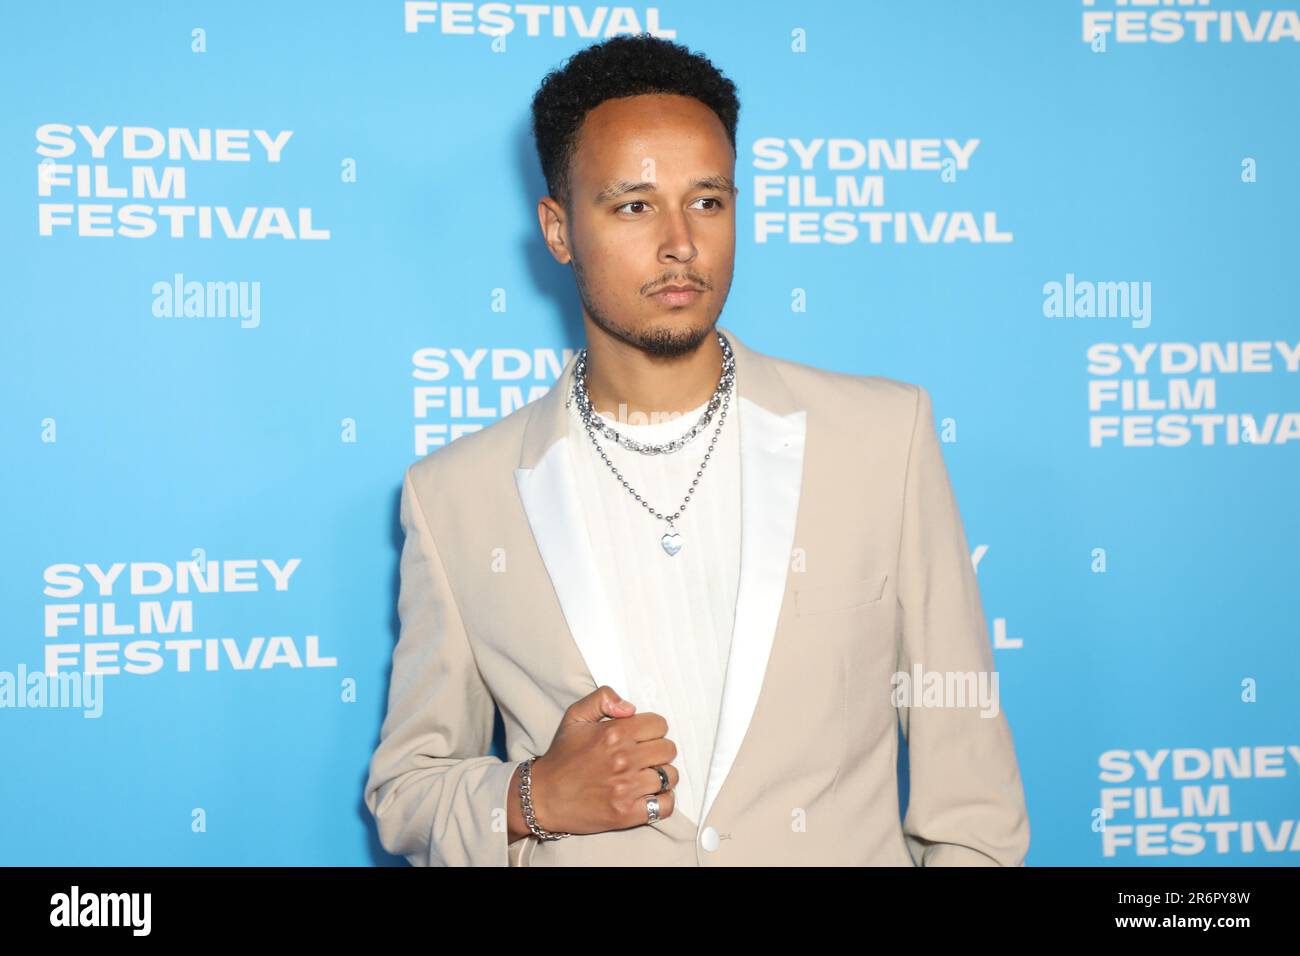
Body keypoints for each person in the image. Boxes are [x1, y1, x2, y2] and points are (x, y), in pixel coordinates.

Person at [364, 33, 1030, 866]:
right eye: (634, 205)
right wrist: (532, 797)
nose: (681, 242)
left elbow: (971, 801)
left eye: (708, 201)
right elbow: (408, 790)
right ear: (559, 228)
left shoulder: (881, 438)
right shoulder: (455, 496)